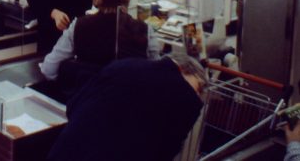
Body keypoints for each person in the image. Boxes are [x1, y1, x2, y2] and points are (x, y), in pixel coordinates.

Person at [47, 53, 207, 161]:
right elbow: (165, 153)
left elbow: (74, 106)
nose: (197, 94)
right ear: (184, 70)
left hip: (66, 153)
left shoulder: (123, 65)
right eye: (198, 88)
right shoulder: (188, 100)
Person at [40, 0, 159, 82]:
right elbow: (156, 77)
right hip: (131, 99)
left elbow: (49, 69)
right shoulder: (146, 31)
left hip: (88, 98)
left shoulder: (78, 26)